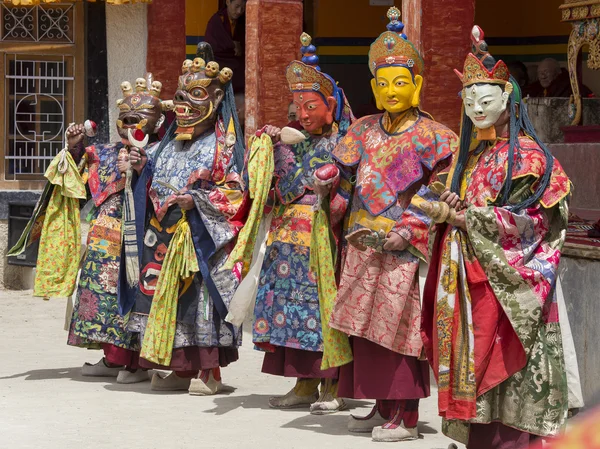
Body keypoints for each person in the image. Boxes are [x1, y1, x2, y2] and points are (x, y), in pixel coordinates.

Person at [418, 26, 571, 449]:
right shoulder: (472, 157)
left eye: (486, 101)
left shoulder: (528, 158)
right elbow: (465, 207)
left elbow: (534, 225)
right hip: (467, 279)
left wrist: (470, 220)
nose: (476, 110)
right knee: (474, 374)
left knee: (505, 370)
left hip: (508, 285)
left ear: (509, 100)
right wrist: (449, 208)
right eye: (469, 102)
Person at [327, 7, 458, 442]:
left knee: (400, 331)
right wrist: (329, 190)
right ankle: (380, 403)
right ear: (373, 89)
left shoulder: (434, 137)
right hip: (361, 242)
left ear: (417, 84)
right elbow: (344, 182)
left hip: (403, 246)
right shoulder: (361, 130)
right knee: (364, 330)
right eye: (383, 85)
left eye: (401, 82)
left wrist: (407, 228)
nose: (392, 91)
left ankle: (404, 414)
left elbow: (438, 189)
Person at [127, 52, 247, 396]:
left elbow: (236, 191)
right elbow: (153, 181)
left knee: (199, 301)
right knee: (165, 301)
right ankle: (178, 367)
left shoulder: (223, 146)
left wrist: (198, 200)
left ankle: (209, 372)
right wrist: (140, 170)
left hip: (198, 235)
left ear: (217, 99)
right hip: (161, 234)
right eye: (180, 96)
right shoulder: (169, 144)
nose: (184, 105)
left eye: (196, 96)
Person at [251, 33, 355, 414]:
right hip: (286, 244)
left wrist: (330, 196)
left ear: (330, 106)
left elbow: (351, 191)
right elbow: (269, 189)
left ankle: (334, 385)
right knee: (294, 312)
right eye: (297, 108)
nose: (303, 115)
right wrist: (269, 146)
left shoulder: (347, 142)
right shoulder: (290, 141)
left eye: (311, 106)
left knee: (324, 310)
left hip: (324, 240)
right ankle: (303, 382)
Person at [65, 73, 166, 383]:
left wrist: (138, 169)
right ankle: (111, 358)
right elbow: (79, 186)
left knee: (132, 293)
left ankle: (135, 362)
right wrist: (75, 148)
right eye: (125, 117)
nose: (130, 122)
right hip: (103, 237)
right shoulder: (105, 152)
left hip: (138, 238)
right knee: (100, 295)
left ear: (157, 123)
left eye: (139, 118)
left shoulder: (163, 153)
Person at [204, 0, 246, 94]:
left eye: (243, 8)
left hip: (236, 62)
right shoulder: (217, 20)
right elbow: (211, 45)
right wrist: (232, 44)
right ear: (228, 2)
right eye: (237, 6)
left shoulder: (242, 21)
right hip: (220, 60)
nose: (239, 11)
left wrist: (239, 47)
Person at [527, 57, 593, 98]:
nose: (542, 76)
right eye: (539, 73)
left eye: (546, 72)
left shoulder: (573, 89)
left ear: (558, 72)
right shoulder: (541, 91)